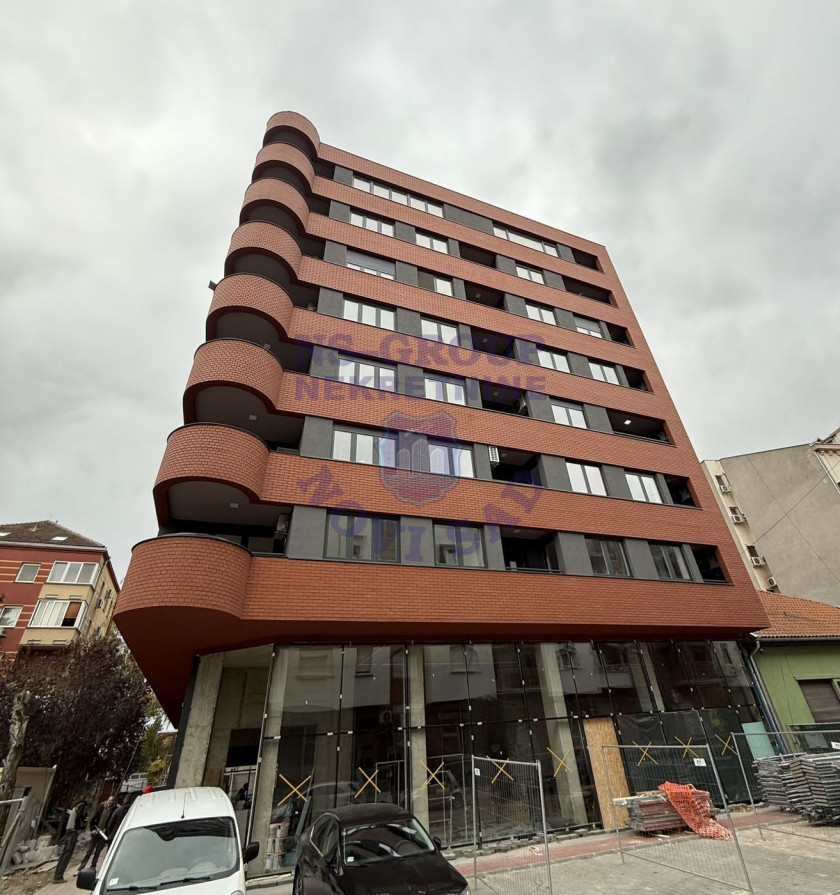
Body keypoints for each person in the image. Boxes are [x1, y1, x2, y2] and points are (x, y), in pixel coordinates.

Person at [77, 795, 116, 873]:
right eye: (109, 800)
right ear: (107, 800)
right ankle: (81, 867)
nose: (110, 802)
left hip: (103, 835)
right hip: (96, 832)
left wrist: (107, 831)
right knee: (89, 851)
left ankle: (93, 866)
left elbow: (111, 824)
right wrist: (93, 829)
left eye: (111, 801)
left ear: (113, 802)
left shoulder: (113, 811)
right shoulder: (101, 808)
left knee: (98, 852)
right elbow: (93, 820)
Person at [53, 797, 88, 883]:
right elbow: (79, 818)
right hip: (72, 832)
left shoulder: (76, 806)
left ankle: (57, 875)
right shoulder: (82, 806)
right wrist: (79, 828)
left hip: (69, 831)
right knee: (67, 854)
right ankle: (58, 876)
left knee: (65, 854)